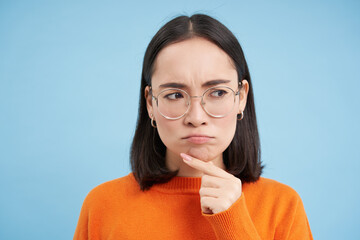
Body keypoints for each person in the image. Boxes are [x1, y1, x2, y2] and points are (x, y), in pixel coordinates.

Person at [73, 14, 313, 240]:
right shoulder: (102, 205)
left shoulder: (283, 205)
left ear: (241, 98)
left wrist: (234, 223)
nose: (196, 117)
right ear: (150, 104)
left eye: (218, 92)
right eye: (175, 95)